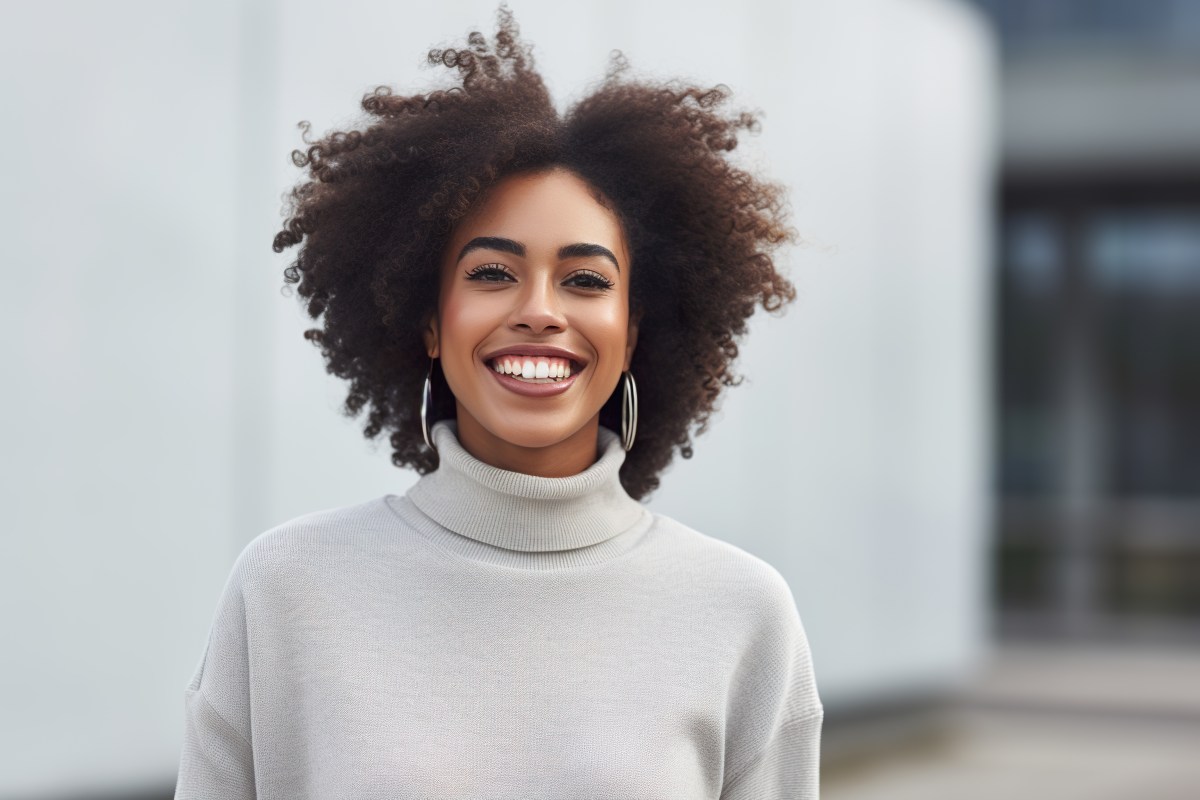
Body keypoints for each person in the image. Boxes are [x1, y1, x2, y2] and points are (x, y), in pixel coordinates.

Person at [175, 8, 822, 799]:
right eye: (491, 273)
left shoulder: (742, 612)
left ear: (634, 330)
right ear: (427, 320)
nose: (540, 310)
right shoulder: (284, 590)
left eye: (586, 279)